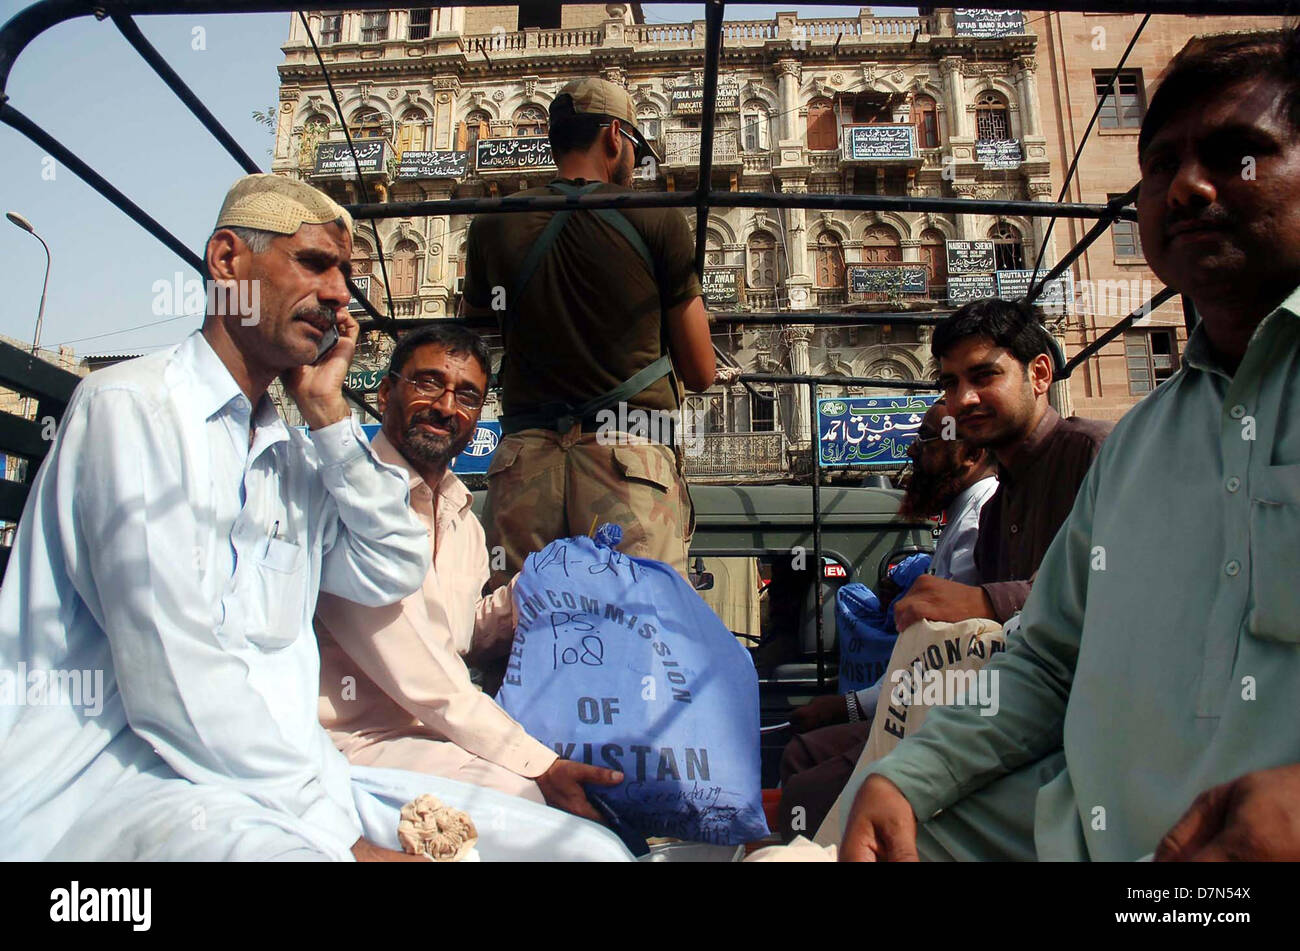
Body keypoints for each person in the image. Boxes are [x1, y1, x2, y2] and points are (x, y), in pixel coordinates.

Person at [0, 174, 632, 862]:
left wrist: (329, 413)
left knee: (587, 852)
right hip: (142, 784)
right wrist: (347, 845)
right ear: (226, 261)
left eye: (344, 273)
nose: (338, 294)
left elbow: (391, 565)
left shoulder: (295, 458)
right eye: (313, 264)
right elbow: (172, 684)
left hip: (300, 783)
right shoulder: (132, 410)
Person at [842, 27, 1300, 862]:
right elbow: (1049, 661)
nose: (1190, 188)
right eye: (1160, 166)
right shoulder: (1141, 447)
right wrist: (910, 776)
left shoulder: (1092, 446)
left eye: (1238, 155)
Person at [315, 324, 622, 824]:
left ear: (479, 417)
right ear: (386, 390)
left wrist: (538, 587)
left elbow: (457, 635)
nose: (444, 407)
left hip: (436, 734)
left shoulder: (461, 516)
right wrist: (538, 763)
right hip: (356, 744)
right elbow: (423, 675)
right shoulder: (353, 497)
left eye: (466, 396)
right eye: (428, 384)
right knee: (538, 809)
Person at [459, 77, 715, 594]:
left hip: (525, 461)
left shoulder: (493, 224)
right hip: (630, 462)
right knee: (642, 636)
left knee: (521, 635)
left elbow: (475, 330)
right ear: (615, 137)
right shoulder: (657, 219)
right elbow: (701, 371)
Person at [775, 400, 998, 839]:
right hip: (919, 708)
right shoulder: (959, 518)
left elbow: (940, 661)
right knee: (803, 753)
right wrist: (848, 707)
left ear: (970, 456)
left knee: (805, 788)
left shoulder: (977, 521)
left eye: (928, 440)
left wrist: (848, 707)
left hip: (944, 721)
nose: (913, 452)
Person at [891, 298, 1112, 633]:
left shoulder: (1098, 454)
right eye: (951, 383)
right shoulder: (994, 514)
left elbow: (1121, 580)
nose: (964, 398)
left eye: (984, 376)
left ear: (1039, 375)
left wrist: (985, 602)